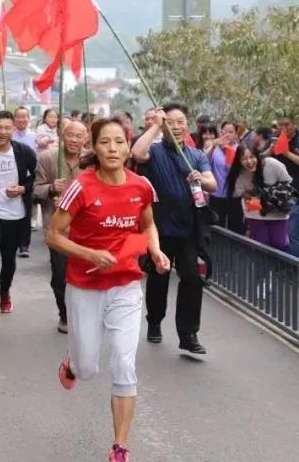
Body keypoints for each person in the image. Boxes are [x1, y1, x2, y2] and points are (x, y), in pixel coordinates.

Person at [48, 117, 169, 462]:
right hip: (85, 286)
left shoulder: (141, 186)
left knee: (124, 365)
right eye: (105, 142)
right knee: (88, 369)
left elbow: (148, 225)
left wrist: (156, 251)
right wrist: (89, 254)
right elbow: (53, 235)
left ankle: (120, 447)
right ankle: (74, 363)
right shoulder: (81, 187)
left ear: (128, 146)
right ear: (94, 147)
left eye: (119, 142)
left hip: (126, 285)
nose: (113, 148)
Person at [131, 103, 216, 354]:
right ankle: (154, 321)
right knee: (159, 277)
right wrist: (156, 124)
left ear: (187, 126)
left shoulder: (197, 155)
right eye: (171, 122)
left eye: (181, 122)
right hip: (160, 227)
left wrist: (201, 179)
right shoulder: (155, 152)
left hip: (189, 228)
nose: (176, 127)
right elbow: (136, 153)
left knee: (191, 278)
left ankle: (188, 333)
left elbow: (213, 182)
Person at [0, 110, 37, 325]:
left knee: (8, 261)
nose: (2, 132)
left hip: (16, 215)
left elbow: (37, 180)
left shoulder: (24, 152)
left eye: (7, 128)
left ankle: (4, 291)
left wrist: (23, 188)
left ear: (14, 129)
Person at [34, 120, 88, 333]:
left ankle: (83, 314)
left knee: (86, 274)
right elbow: (35, 191)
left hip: (87, 227)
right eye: (70, 135)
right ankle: (65, 314)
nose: (74, 140)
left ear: (86, 138)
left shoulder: (92, 160)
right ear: (62, 136)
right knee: (60, 274)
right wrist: (50, 189)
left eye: (79, 136)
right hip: (58, 228)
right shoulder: (47, 157)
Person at [227, 144, 293, 250]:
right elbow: (240, 192)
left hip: (277, 212)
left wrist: (273, 194)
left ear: (257, 156)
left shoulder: (271, 164)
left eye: (252, 157)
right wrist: (255, 198)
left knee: (279, 243)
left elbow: (287, 181)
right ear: (239, 160)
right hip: (255, 214)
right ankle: (263, 266)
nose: (249, 162)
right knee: (262, 244)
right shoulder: (239, 173)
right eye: (244, 158)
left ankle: (276, 266)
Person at [272, 115, 299, 257]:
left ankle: (294, 269)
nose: (284, 128)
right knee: (279, 232)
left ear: (294, 125)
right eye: (281, 125)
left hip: (295, 191)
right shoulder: (275, 139)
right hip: (276, 192)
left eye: (287, 125)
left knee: (292, 233)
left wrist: (286, 153)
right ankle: (281, 266)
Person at [12, 107, 38, 256]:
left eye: (24, 117)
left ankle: (24, 245)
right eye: (18, 117)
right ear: (14, 119)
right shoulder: (9, 135)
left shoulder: (34, 137)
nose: (21, 120)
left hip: (27, 177)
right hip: (10, 175)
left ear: (29, 119)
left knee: (25, 211)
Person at [208, 120, 241, 233]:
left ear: (236, 135)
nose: (226, 135)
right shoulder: (215, 148)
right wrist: (213, 146)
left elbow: (233, 169)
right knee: (216, 227)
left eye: (230, 132)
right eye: (223, 132)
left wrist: (227, 150)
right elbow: (204, 162)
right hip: (216, 194)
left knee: (235, 227)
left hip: (235, 194)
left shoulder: (240, 149)